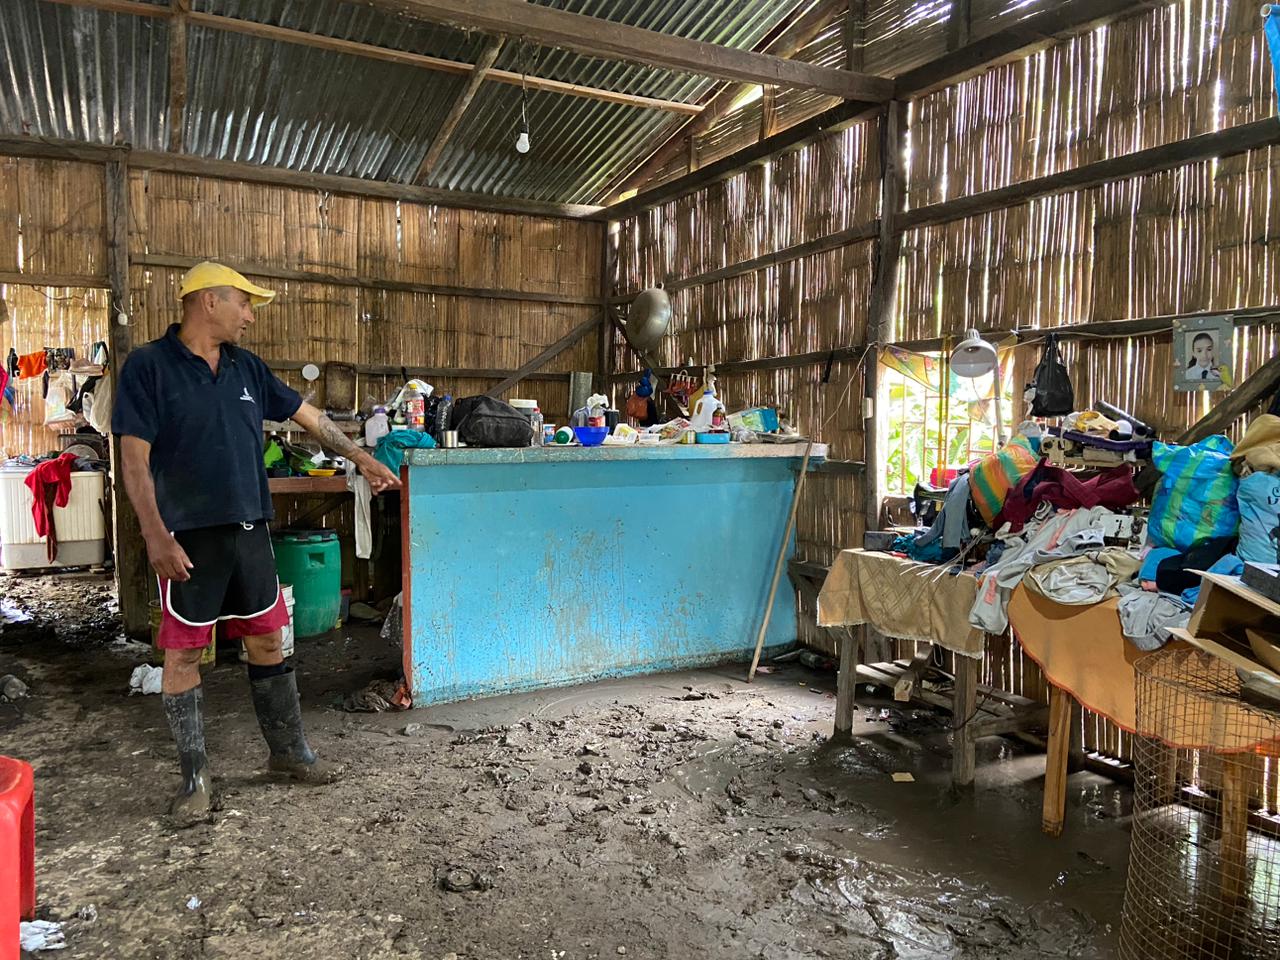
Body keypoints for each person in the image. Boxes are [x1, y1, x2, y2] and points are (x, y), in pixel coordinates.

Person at [111, 261, 401, 819]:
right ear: (207, 302)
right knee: (185, 651)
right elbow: (133, 459)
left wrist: (361, 457)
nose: (249, 315)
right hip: (188, 537)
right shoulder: (149, 367)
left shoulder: (247, 368)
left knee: (269, 641)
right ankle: (195, 778)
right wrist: (155, 536)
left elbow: (311, 419)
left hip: (250, 529)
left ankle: (288, 754)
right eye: (243, 303)